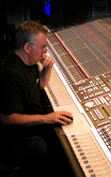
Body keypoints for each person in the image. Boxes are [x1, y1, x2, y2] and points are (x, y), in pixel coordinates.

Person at [0, 21, 73, 176]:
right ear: (27, 48)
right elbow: (7, 118)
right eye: (43, 47)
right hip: (16, 138)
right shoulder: (11, 75)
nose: (46, 51)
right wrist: (47, 118)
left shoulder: (29, 61)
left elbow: (38, 85)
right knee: (63, 153)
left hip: (33, 125)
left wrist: (48, 68)